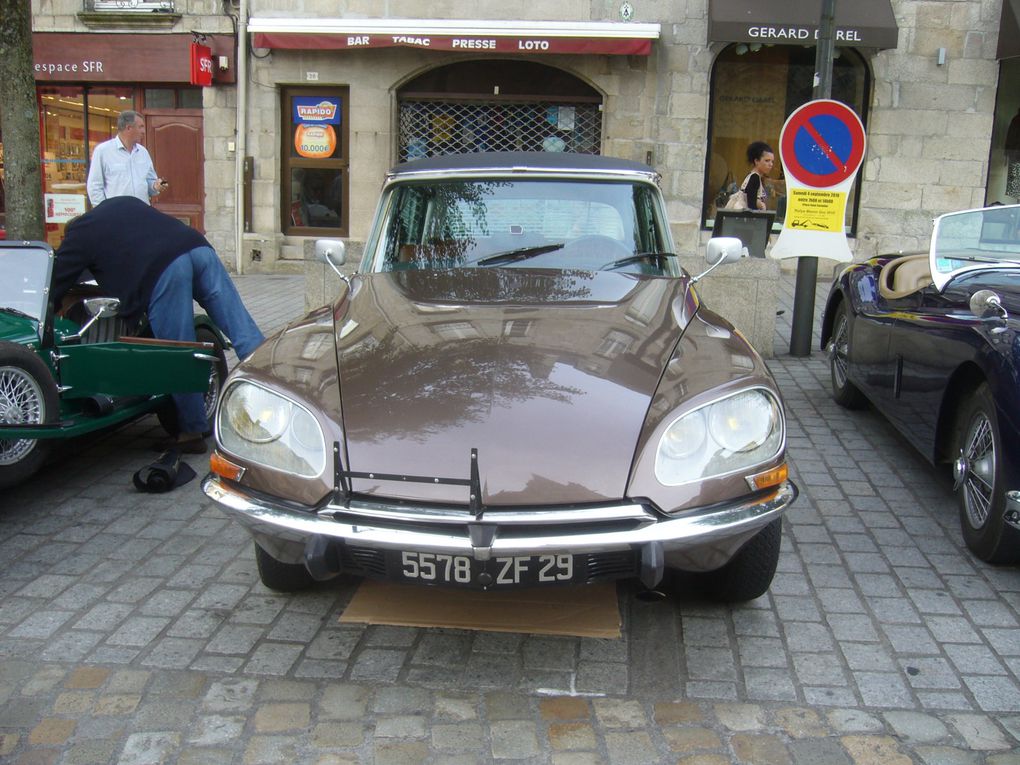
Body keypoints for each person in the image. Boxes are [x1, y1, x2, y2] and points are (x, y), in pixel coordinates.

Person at [50, 197, 266, 453]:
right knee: (242, 329)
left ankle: (191, 431)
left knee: (177, 350)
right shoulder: (120, 204)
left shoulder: (78, 233)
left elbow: (55, 282)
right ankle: (278, 399)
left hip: (164, 269)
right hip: (198, 248)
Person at [86, 110, 169, 206]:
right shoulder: (103, 151)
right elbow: (94, 186)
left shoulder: (143, 152)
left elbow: (150, 181)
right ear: (128, 128)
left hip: (142, 212)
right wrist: (104, 212)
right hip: (116, 214)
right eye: (140, 127)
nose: (144, 131)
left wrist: (156, 186)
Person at [741, 141, 775, 212]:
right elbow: (751, 206)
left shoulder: (753, 176)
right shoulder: (754, 178)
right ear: (756, 161)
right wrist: (761, 205)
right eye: (767, 160)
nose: (770, 164)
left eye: (772, 161)